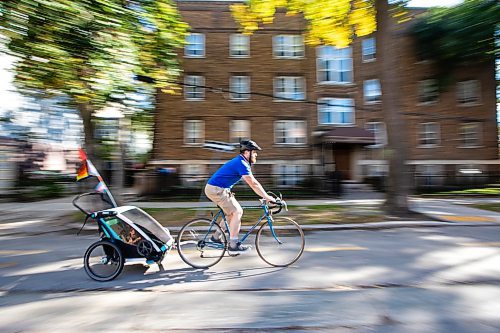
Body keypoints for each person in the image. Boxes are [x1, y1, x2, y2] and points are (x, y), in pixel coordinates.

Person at [205, 139, 275, 253]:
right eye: (254, 152)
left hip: (219, 189)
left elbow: (254, 184)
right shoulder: (241, 163)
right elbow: (253, 183)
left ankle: (215, 237)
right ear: (247, 152)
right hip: (216, 189)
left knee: (231, 214)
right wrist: (267, 197)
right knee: (237, 211)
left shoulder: (241, 162)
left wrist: (264, 196)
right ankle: (233, 245)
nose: (256, 154)